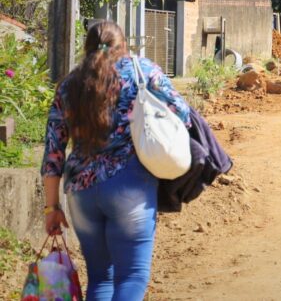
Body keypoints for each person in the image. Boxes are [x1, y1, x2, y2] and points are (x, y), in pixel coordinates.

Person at [41, 20, 191, 300]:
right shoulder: (141, 72)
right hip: (129, 187)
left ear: (86, 49)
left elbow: (53, 153)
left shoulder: (68, 86)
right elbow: (183, 113)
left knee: (100, 278)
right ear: (123, 46)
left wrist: (51, 208)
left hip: (80, 195)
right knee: (132, 276)